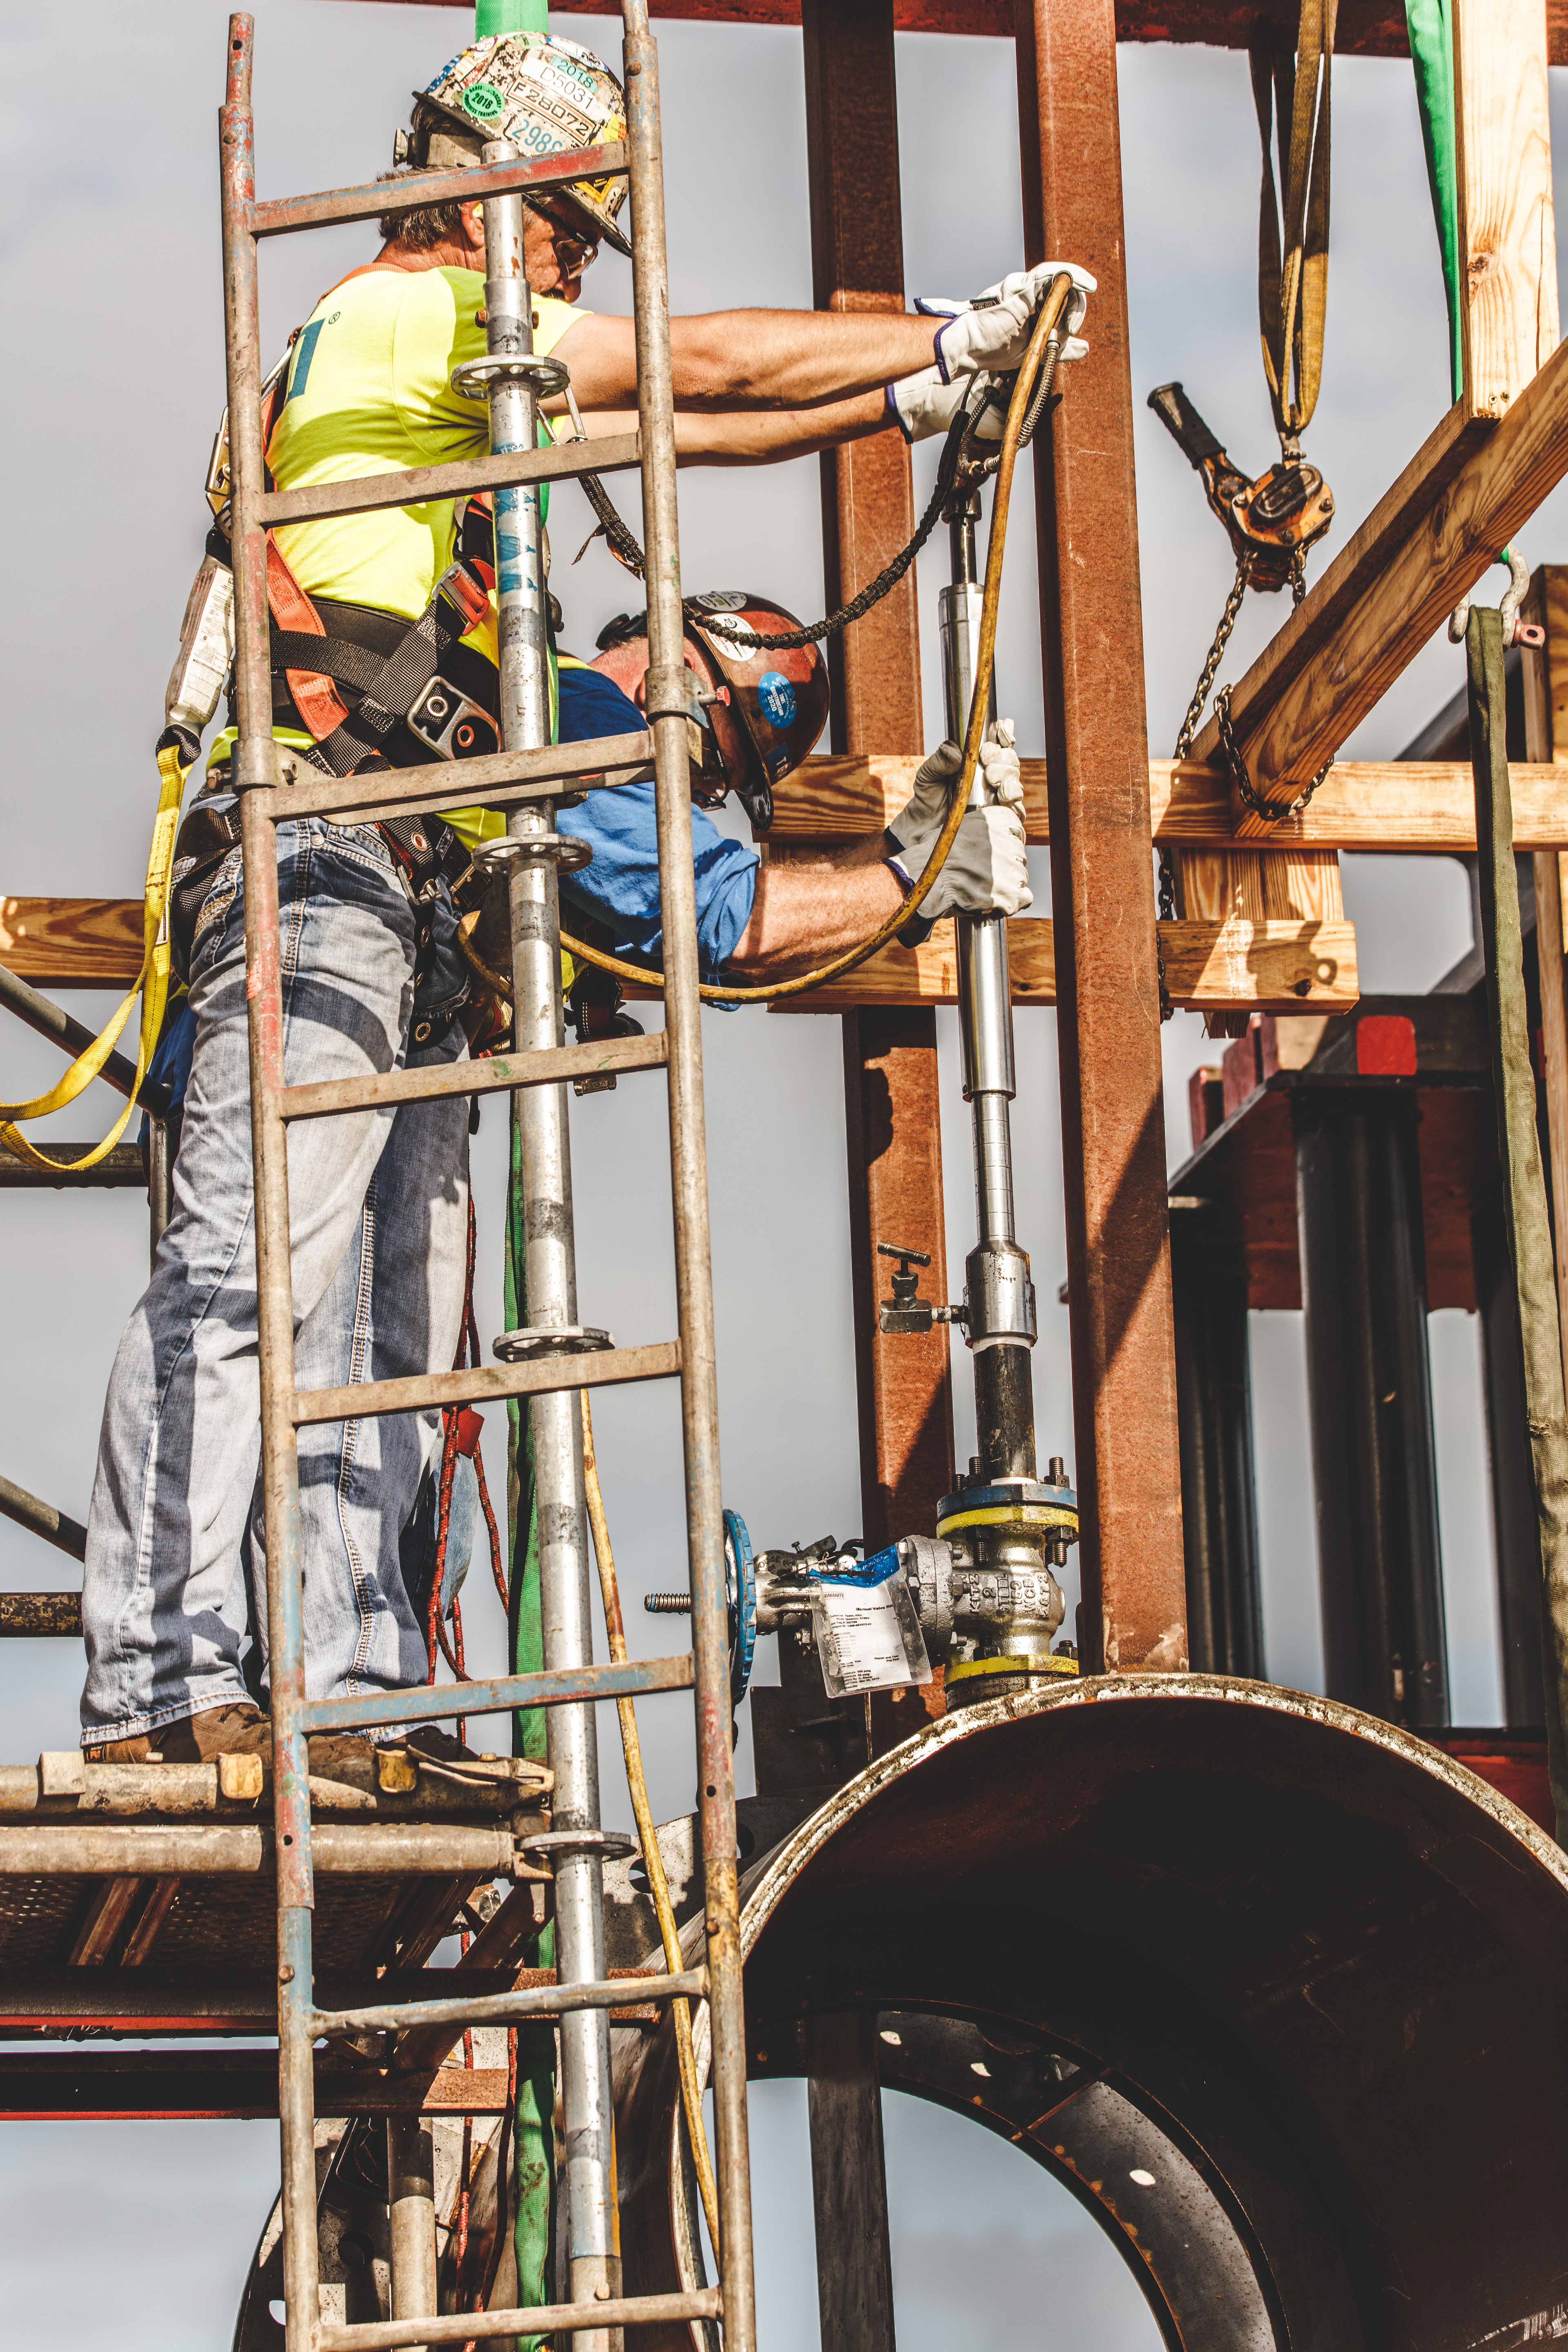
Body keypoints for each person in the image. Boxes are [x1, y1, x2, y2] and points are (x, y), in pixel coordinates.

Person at [78, 27, 1079, 1765]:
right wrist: (934, 345)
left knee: (378, 1332)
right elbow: (693, 371)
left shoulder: (468, 397)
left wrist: (919, 397)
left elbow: (690, 408)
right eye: (568, 233)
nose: (571, 268)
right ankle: (165, 1686)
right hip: (307, 854)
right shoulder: (406, 311)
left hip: (392, 882)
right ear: (492, 191)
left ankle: (344, 1699)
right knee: (249, 1285)